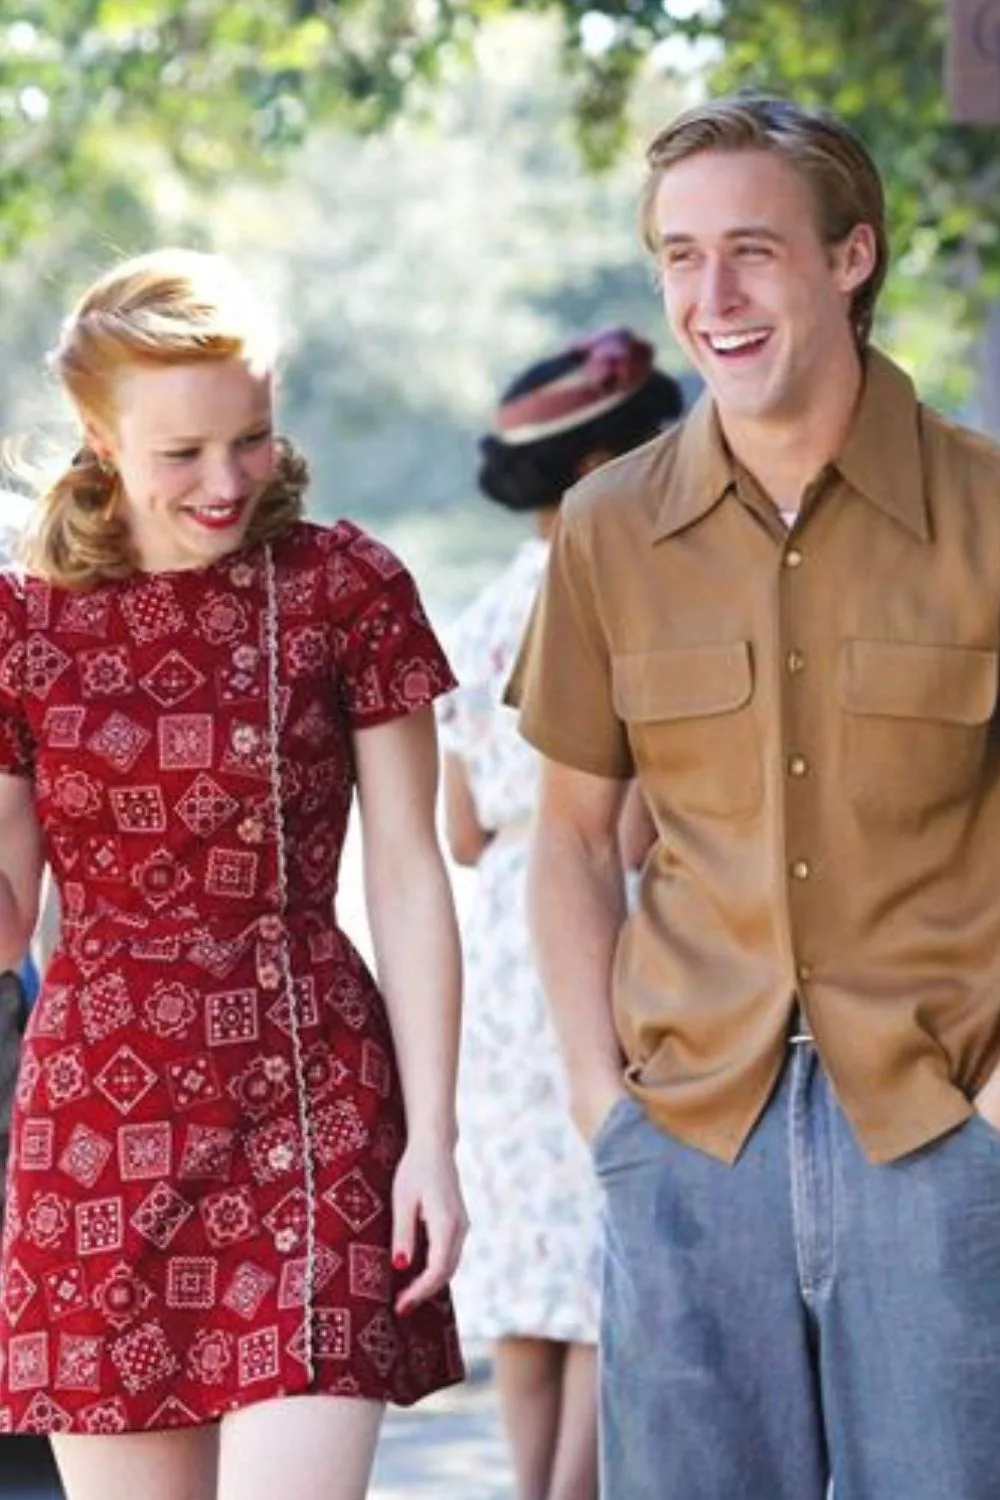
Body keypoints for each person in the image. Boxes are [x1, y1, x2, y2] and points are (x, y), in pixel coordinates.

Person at [509, 91, 1000, 1500]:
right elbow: (571, 838)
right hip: (685, 1140)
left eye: (751, 253)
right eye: (677, 257)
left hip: (942, 1135)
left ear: (851, 257)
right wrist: (605, 1105)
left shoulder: (989, 513)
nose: (708, 299)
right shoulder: (610, 529)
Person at [0, 248, 467, 1500]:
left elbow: (411, 875)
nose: (226, 482)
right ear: (100, 435)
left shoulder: (346, 586)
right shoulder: (23, 622)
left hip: (308, 1106)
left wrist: (436, 1138)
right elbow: (4, 927)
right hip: (97, 1126)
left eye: (251, 438)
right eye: (183, 452)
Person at [438, 329, 681, 1500]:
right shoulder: (624, 593)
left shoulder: (478, 617)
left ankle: (527, 1487)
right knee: (598, 1263)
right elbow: (627, 823)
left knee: (527, 1277)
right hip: (595, 931)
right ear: (602, 470)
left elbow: (463, 835)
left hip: (496, 951)